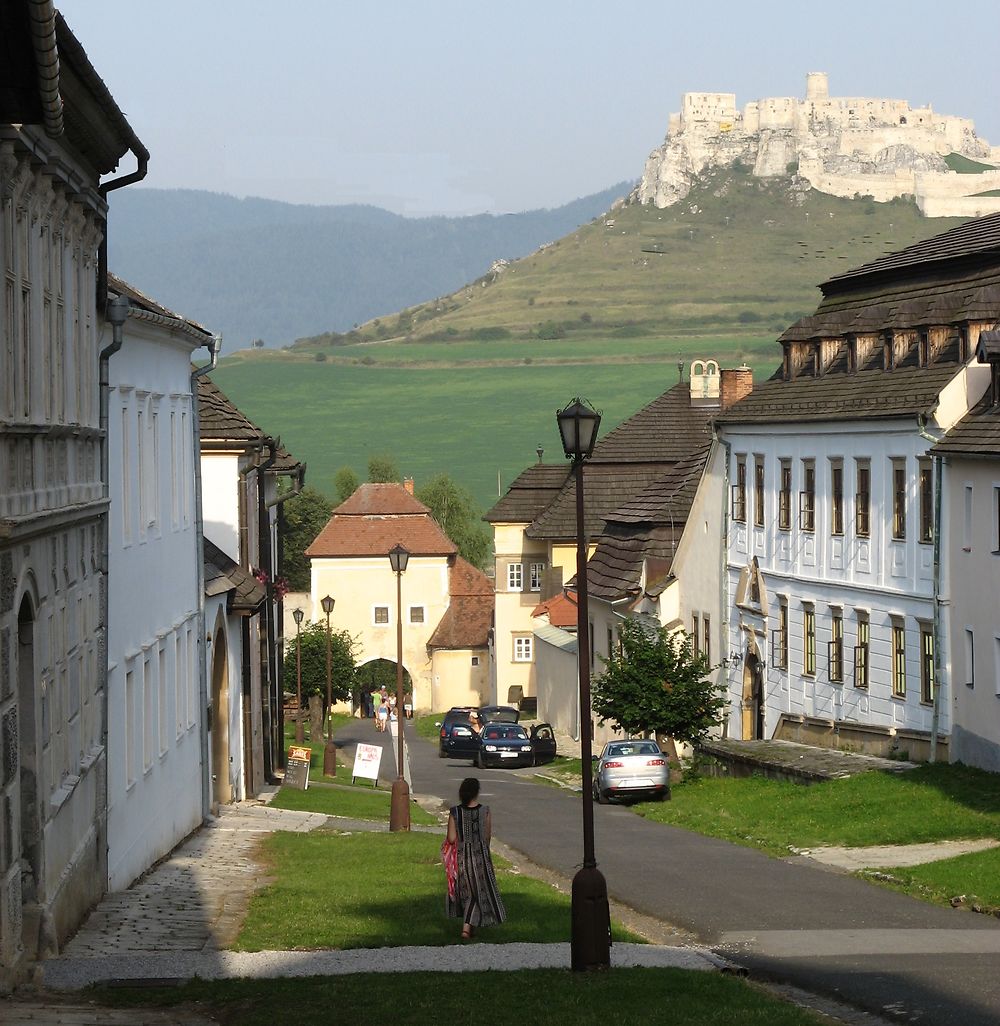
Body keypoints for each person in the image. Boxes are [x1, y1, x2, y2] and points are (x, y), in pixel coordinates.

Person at [445, 777, 506, 940]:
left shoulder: (455, 812)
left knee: (468, 893)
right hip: (480, 856)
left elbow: (451, 838)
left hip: (462, 856)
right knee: (479, 892)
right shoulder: (485, 811)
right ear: (477, 793)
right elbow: (487, 837)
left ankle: (469, 928)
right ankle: (466, 929)